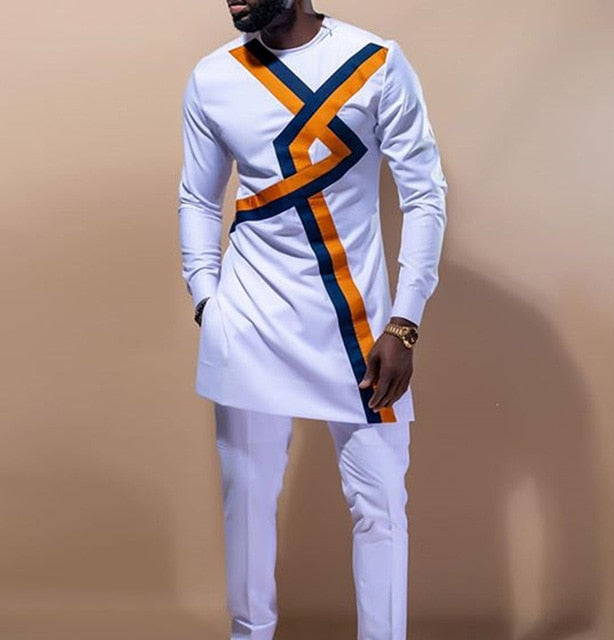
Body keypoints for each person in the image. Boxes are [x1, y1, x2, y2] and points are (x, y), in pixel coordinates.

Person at [177, 1, 448, 638]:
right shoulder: (213, 76)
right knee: (247, 503)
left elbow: (424, 195)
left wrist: (404, 322)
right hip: (249, 319)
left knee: (380, 507)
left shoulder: (374, 63)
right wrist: (206, 298)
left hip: (360, 328)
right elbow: (198, 196)